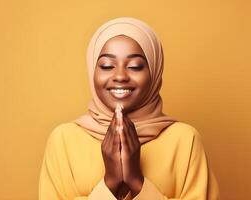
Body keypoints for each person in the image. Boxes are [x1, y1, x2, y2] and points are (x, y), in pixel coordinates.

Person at [39, 17, 220, 200]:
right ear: (92, 70)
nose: (120, 76)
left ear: (155, 72)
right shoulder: (63, 140)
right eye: (107, 66)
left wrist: (136, 182)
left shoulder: (185, 140)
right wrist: (110, 183)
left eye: (135, 66)